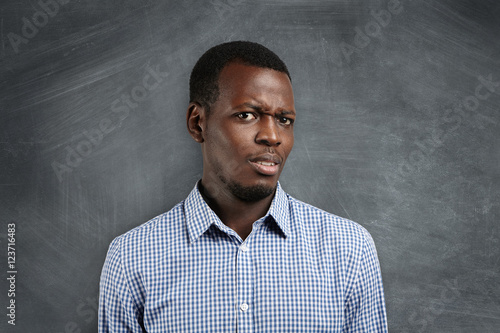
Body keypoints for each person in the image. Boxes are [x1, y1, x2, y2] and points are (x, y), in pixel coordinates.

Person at [99, 41, 388, 332]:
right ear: (198, 123)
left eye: (284, 120)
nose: (272, 136)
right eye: (247, 115)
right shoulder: (132, 257)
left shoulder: (349, 249)